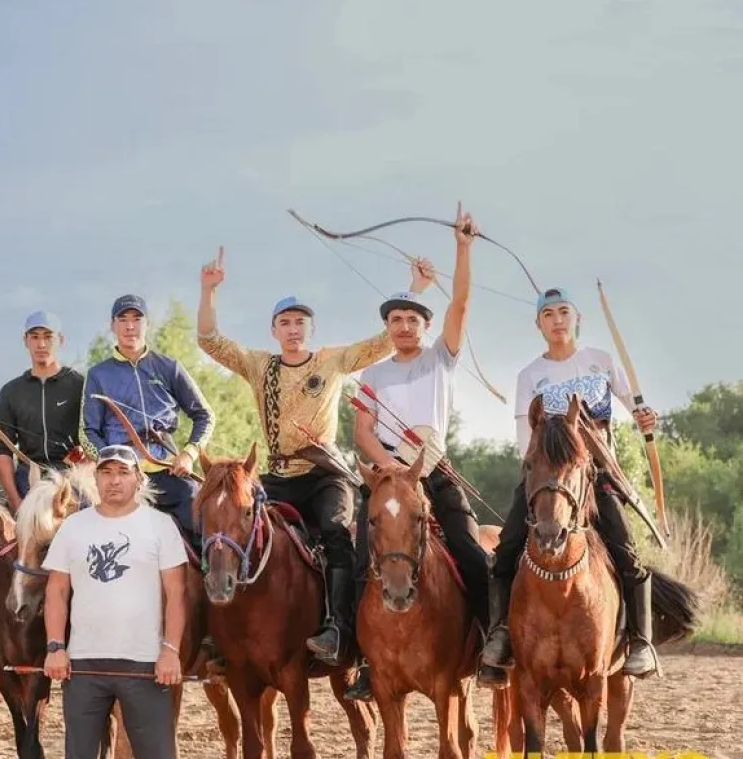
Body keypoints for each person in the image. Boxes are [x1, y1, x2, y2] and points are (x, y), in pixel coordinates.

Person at [196, 251, 434, 666]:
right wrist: (208, 291)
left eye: (300, 321)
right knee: (233, 526)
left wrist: (413, 291)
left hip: (326, 474)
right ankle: (224, 633)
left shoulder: (332, 359)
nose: (293, 329)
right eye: (285, 322)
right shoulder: (259, 365)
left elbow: (383, 342)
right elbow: (209, 341)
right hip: (278, 474)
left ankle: (339, 630)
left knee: (337, 532)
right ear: (273, 330)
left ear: (311, 327)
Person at [478, 288, 662, 686]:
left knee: (626, 552)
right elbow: (521, 436)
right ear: (538, 324)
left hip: (596, 475)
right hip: (546, 476)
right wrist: (544, 464)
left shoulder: (600, 361)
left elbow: (636, 407)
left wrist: (645, 417)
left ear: (577, 318)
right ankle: (501, 636)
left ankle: (641, 642)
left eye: (564, 312)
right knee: (507, 547)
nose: (557, 320)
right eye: (549, 314)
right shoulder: (529, 375)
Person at [348, 207, 487, 700]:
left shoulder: (439, 360)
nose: (404, 326)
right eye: (395, 319)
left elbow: (462, 305)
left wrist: (462, 250)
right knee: (353, 556)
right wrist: (382, 465)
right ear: (387, 327)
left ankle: (492, 645)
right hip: (386, 478)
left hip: (433, 472)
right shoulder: (373, 375)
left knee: (471, 552)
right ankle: (361, 658)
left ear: (425, 327)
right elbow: (362, 429)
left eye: (412, 318)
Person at [41, 442, 186, 759]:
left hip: (145, 663)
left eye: (123, 472)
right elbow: (57, 591)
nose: (114, 480)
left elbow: (176, 594)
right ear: (96, 478)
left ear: (138, 479)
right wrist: (55, 646)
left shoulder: (160, 527)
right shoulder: (74, 528)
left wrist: (171, 650)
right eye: (106, 473)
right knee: (79, 756)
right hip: (84, 662)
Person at [79, 295, 213, 556]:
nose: (130, 326)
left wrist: (188, 454)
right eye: (123, 319)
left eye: (136, 319)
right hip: (123, 478)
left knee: (207, 529)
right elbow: (88, 432)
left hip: (169, 471)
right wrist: (112, 465)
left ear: (146, 324)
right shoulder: (98, 374)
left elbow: (204, 415)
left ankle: (212, 588)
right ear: (113, 325)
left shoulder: (168, 367)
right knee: (89, 539)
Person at [0, 311, 85, 513]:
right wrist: (15, 500)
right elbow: (2, 451)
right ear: (25, 341)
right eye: (34, 337)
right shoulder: (11, 391)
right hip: (28, 478)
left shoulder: (80, 385)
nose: (41, 344)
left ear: (60, 340)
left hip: (72, 477)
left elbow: (94, 437)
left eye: (48, 337)